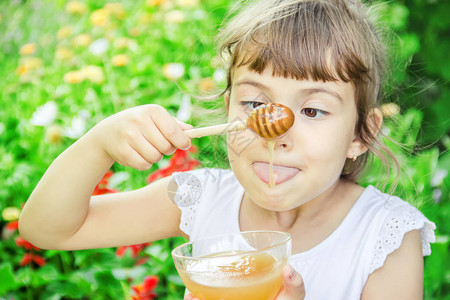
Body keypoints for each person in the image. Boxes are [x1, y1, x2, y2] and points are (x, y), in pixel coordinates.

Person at [19, 0, 435, 299]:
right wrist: (98, 143)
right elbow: (47, 229)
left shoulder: (386, 238)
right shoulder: (203, 201)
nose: (275, 134)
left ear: (361, 133)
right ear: (228, 108)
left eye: (312, 109)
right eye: (255, 104)